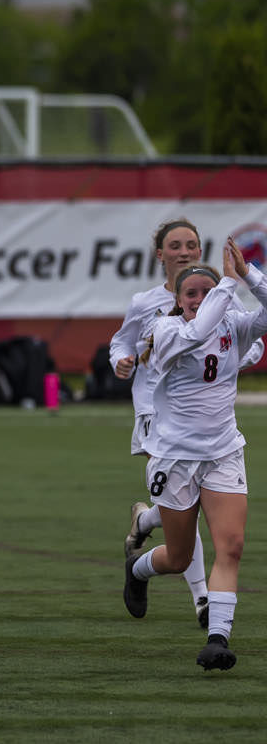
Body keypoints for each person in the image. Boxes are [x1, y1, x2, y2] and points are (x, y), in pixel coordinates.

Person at [123, 239, 267, 671]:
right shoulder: (166, 332)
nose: (201, 299)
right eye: (192, 293)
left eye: (207, 292)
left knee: (232, 546)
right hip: (175, 458)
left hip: (223, 451)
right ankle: (138, 569)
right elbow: (200, 329)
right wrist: (225, 283)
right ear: (179, 300)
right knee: (179, 557)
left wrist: (249, 275)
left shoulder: (235, 324)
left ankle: (217, 638)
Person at [112, 219, 219, 627]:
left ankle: (144, 521)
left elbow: (250, 339)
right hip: (157, 415)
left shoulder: (216, 295)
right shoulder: (145, 303)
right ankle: (203, 600)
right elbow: (121, 341)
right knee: (185, 500)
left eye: (191, 244)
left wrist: (234, 357)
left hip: (202, 414)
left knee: (182, 502)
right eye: (174, 245)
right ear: (160, 254)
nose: (184, 251)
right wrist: (120, 361)